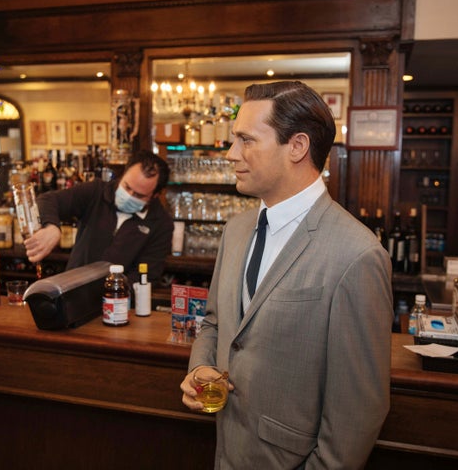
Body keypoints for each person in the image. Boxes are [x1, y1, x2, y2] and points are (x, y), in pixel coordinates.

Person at [180, 81, 393, 469]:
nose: (230, 154)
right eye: (233, 140)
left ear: (297, 146)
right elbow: (213, 322)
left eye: (246, 140)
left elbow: (358, 412)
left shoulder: (357, 254)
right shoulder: (236, 229)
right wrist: (200, 367)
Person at [24, 151, 174, 285]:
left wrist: (112, 293)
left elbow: (146, 276)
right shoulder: (97, 192)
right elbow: (47, 200)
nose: (129, 196)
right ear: (123, 175)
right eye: (127, 187)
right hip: (71, 291)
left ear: (154, 196)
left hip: (119, 304)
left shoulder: (161, 224)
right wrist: (52, 227)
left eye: (139, 195)